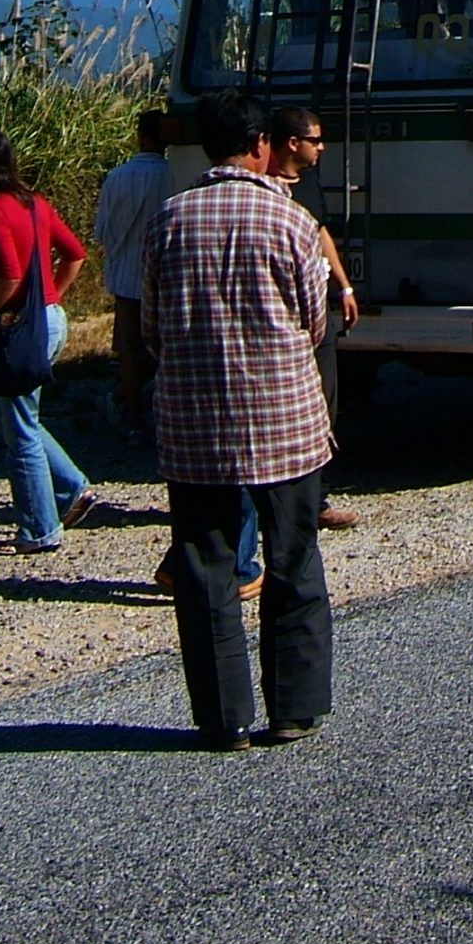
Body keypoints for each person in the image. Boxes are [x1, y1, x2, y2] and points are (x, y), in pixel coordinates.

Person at [141, 90, 338, 752]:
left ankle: (222, 719)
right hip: (285, 422)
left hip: (195, 426)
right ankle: (294, 707)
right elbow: (316, 321)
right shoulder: (290, 222)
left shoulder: (169, 220)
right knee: (292, 558)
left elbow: (152, 329)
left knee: (204, 566)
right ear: (260, 145)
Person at [0, 128, 99, 555]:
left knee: (19, 431)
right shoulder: (36, 202)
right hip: (52, 320)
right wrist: (52, 297)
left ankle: (40, 527)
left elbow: (10, 276)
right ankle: (73, 490)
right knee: (19, 418)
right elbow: (76, 254)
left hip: (22, 326)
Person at [266, 106, 366, 534]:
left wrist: (343, 285)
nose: (322, 147)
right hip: (283, 312)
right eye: (315, 140)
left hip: (319, 303)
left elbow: (321, 231)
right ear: (293, 143)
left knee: (325, 402)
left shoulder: (307, 184)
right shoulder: (265, 188)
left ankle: (317, 497)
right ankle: (282, 504)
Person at [93, 108, 173, 437]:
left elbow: (102, 231)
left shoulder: (117, 177)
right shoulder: (174, 176)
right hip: (164, 280)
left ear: (139, 136)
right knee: (164, 349)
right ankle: (161, 414)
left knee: (129, 349)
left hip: (126, 277)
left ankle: (132, 416)